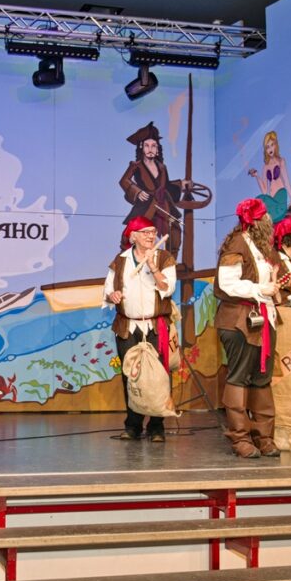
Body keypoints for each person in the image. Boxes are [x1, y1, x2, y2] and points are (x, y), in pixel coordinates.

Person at [214, 198, 281, 458]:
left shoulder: (261, 247)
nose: (269, 221)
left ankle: (264, 438)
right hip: (239, 319)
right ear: (256, 221)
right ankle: (240, 438)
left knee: (262, 378)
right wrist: (260, 289)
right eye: (265, 217)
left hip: (263, 317)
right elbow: (227, 283)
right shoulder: (237, 243)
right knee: (239, 376)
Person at [103, 216, 177, 442]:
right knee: (131, 376)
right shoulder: (120, 260)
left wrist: (153, 267)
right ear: (133, 236)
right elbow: (107, 291)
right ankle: (133, 425)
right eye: (145, 232)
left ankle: (157, 426)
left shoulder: (164, 258)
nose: (151, 236)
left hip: (155, 326)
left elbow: (168, 288)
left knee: (159, 376)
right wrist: (113, 295)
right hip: (128, 325)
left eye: (153, 232)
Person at [119, 122, 191, 257]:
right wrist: (137, 191)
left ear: (157, 149)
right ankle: (127, 261)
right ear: (142, 147)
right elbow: (124, 181)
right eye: (147, 145)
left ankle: (169, 262)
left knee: (174, 232)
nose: (150, 149)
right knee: (133, 234)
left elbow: (166, 185)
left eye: (153, 146)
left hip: (163, 205)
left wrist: (181, 184)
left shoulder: (162, 167)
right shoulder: (136, 165)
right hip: (146, 206)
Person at [247, 131, 291, 222]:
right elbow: (264, 191)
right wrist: (257, 176)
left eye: (272, 145)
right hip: (272, 199)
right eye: (267, 147)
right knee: (260, 199)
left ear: (275, 145)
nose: (270, 149)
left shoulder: (281, 161)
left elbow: (286, 181)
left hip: (280, 197)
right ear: (265, 150)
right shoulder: (265, 166)